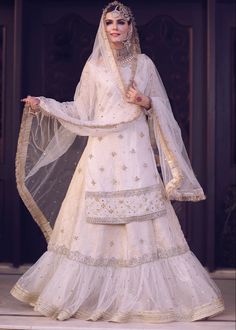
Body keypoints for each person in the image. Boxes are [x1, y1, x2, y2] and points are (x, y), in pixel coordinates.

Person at [11, 1, 224, 323]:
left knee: (142, 217)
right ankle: (89, 294)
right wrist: (46, 105)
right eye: (109, 22)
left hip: (135, 147)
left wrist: (145, 101)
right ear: (103, 27)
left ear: (130, 27)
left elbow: (161, 106)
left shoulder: (144, 64)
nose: (115, 27)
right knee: (94, 218)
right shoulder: (94, 66)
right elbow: (82, 111)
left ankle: (146, 296)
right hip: (102, 147)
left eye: (121, 22)